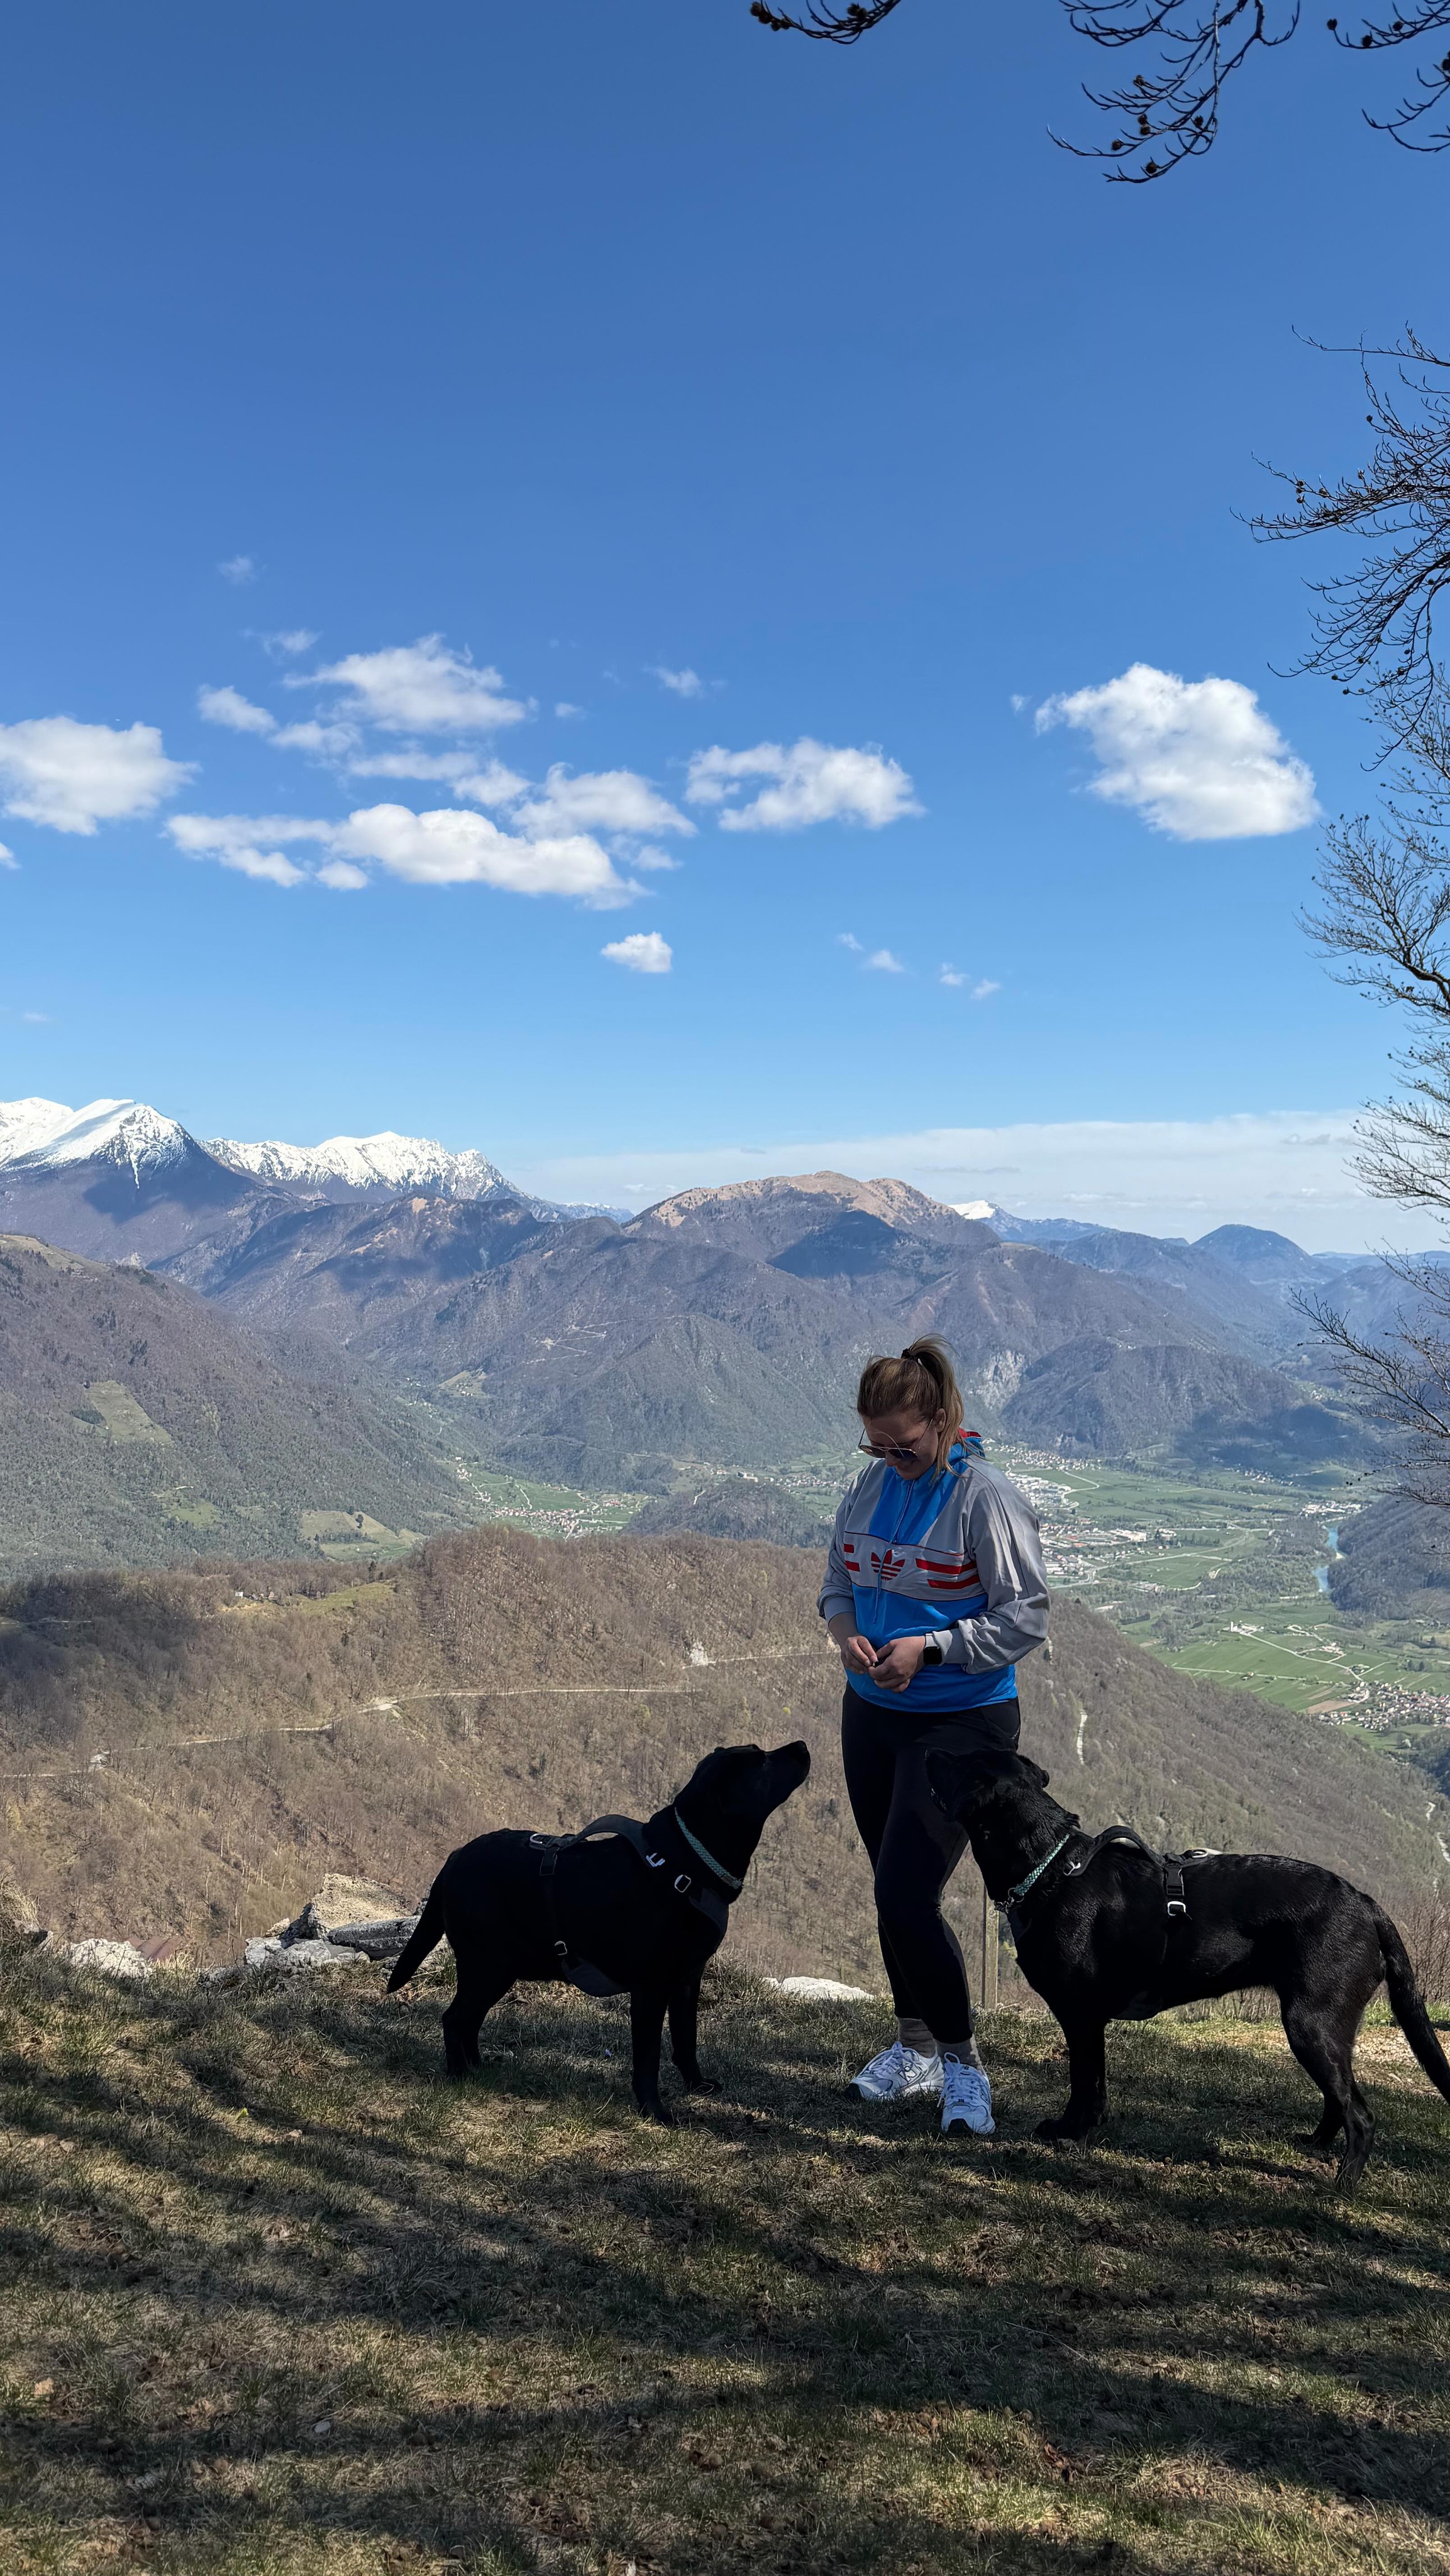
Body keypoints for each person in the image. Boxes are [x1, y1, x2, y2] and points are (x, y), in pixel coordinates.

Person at [819, 1337, 1049, 2137]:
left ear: (944, 1420)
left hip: (961, 1716)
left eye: (903, 1445)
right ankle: (912, 2044)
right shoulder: (869, 1487)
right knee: (889, 1882)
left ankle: (962, 2066)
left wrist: (933, 1647)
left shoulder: (982, 1497)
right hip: (872, 1709)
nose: (889, 1458)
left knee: (904, 1891)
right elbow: (837, 1584)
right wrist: (848, 1634)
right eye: (874, 1444)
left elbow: (1024, 1614)